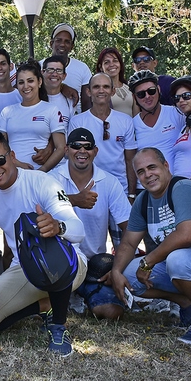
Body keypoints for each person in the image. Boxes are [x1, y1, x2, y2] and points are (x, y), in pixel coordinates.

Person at [0, 129, 87, 356]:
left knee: (47, 247)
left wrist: (59, 226)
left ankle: (58, 326)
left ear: (12, 156)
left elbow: (78, 231)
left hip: (68, 264)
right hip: (23, 269)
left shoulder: (42, 182)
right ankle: (43, 306)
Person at [106, 147, 191, 344]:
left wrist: (148, 261)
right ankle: (187, 303)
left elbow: (187, 236)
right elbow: (129, 241)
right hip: (185, 264)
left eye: (152, 167)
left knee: (178, 260)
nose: (147, 175)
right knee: (129, 274)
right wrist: (116, 271)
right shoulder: (143, 200)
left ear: (166, 166)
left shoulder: (182, 187)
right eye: (141, 171)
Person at [50, 129, 130, 320]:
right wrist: (74, 200)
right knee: (42, 312)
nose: (82, 151)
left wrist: (117, 268)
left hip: (95, 267)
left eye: (87, 147)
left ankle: (83, 294)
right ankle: (69, 294)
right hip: (60, 265)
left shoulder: (109, 182)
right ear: (67, 150)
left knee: (112, 312)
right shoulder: (52, 178)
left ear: (95, 151)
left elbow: (129, 227)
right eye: (76, 146)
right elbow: (37, 210)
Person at [68, 73, 137, 196]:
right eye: (96, 87)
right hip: (88, 188)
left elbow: (130, 159)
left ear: (113, 91)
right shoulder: (77, 121)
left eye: (106, 86)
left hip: (120, 188)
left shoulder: (126, 121)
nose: (101, 90)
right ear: (88, 92)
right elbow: (73, 159)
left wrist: (131, 194)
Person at [0, 61, 66, 172]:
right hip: (13, 173)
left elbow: (61, 147)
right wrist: (16, 163)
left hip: (44, 175)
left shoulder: (51, 110)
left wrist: (42, 171)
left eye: (30, 81)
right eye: (21, 82)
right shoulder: (7, 111)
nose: (26, 86)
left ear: (39, 82)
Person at [129, 70, 185, 177]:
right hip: (146, 187)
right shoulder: (132, 125)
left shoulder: (177, 113)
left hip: (176, 184)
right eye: (141, 94)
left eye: (151, 91)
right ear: (134, 97)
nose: (147, 96)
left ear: (158, 89)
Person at [49, 23, 92, 107]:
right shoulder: (40, 66)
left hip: (75, 119)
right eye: (58, 40)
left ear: (72, 47)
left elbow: (87, 104)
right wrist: (62, 87)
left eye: (67, 42)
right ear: (51, 44)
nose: (62, 44)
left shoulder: (82, 68)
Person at [93, 47, 135, 116]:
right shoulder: (98, 91)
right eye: (107, 62)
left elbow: (137, 116)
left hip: (130, 126)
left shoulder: (130, 87)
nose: (112, 65)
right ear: (101, 67)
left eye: (115, 61)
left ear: (120, 64)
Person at [42, 55, 78, 127]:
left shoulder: (70, 101)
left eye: (59, 71)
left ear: (64, 76)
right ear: (42, 72)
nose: (54, 74)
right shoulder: (34, 99)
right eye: (50, 70)